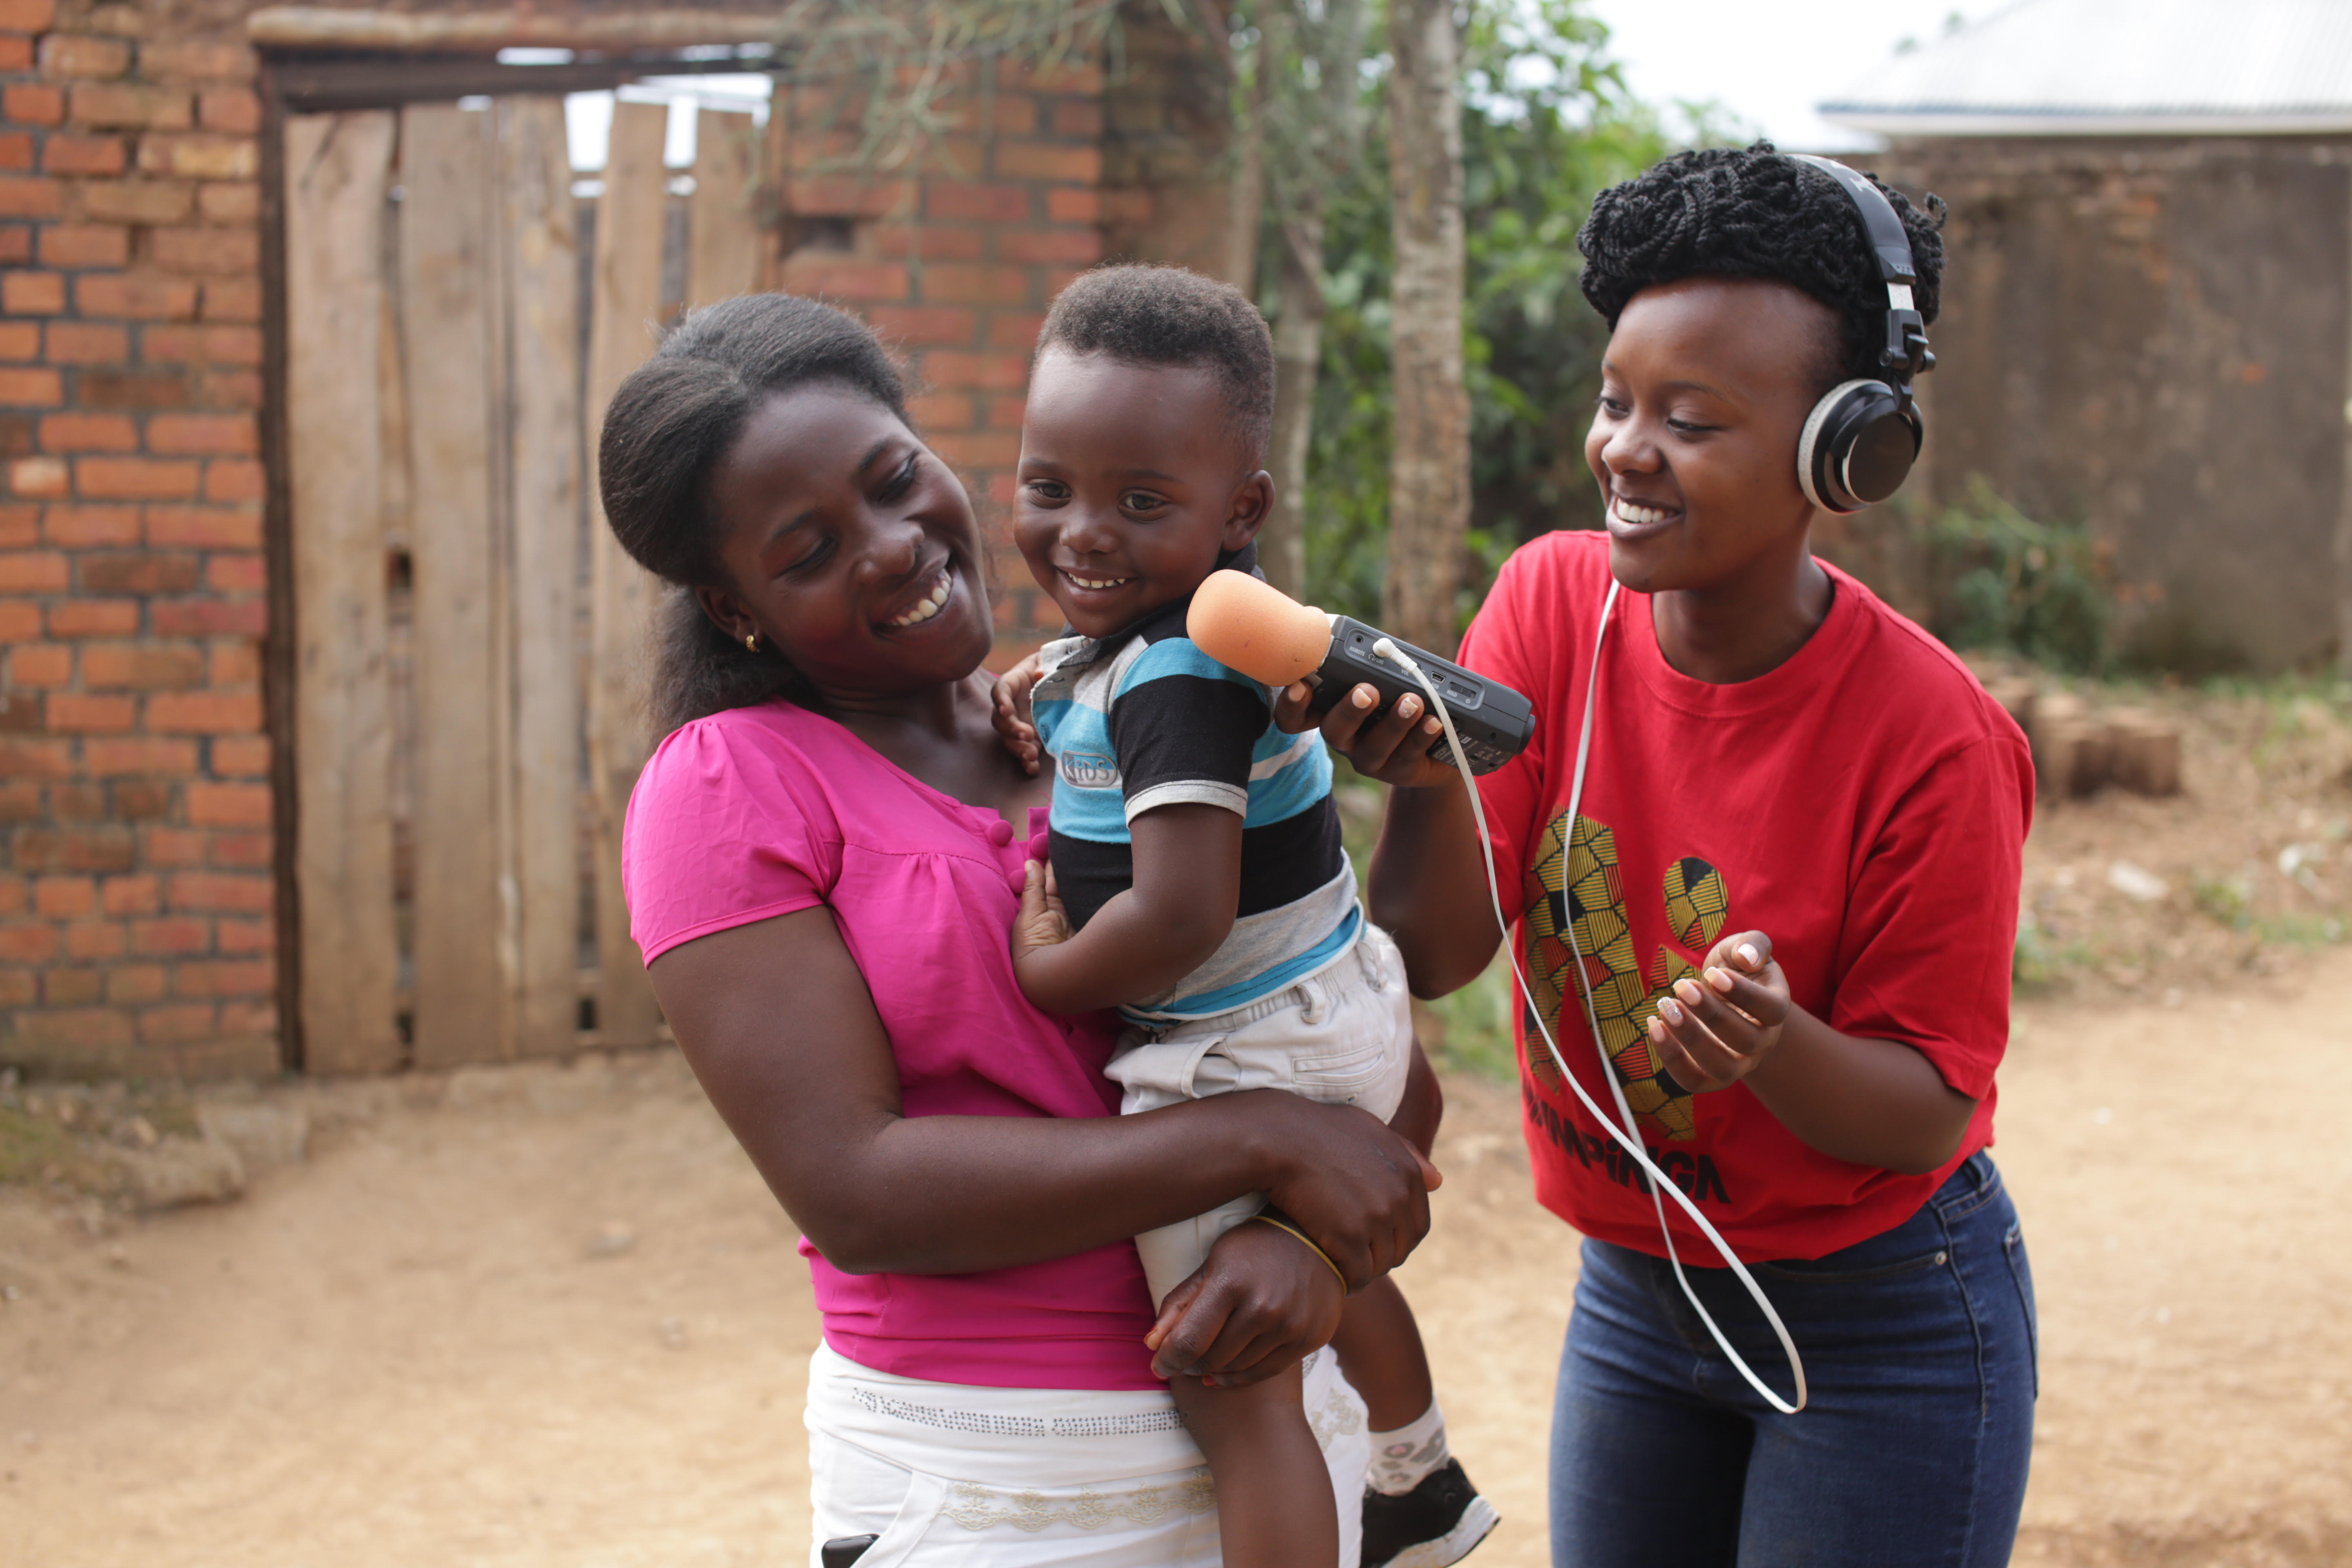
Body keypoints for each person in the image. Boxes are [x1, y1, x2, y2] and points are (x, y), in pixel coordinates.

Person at [601, 291, 1443, 1567]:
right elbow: (861, 1193)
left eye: (896, 479)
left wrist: (1311, 1251)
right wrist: (1265, 1142)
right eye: (809, 551)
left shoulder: (1111, 716)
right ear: (737, 610)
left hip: (1279, 1441)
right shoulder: (731, 786)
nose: (890, 545)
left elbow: (1367, 1076)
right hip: (993, 1487)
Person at [1293, 144, 2038, 1567]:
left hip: (1878, 1319)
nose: (1625, 451)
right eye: (1615, 401)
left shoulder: (1936, 739)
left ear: (1847, 450)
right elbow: (1441, 957)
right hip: (1637, 1298)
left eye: (1690, 421)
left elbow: (1928, 1113)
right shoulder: (1550, 600)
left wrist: (1773, 1045)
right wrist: (1426, 784)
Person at [997, 264, 1497, 1568]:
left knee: (1235, 1382)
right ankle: (1416, 1477)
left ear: (1242, 512)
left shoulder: (1179, 679)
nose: (1084, 532)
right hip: (1332, 1002)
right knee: (1342, 1263)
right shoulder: (1169, 647)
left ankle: (1391, 1495)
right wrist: (1039, 685)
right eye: (1049, 487)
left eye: (1142, 502)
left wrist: (1043, 976)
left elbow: (1176, 914)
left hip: (1241, 1045)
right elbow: (1095, 691)